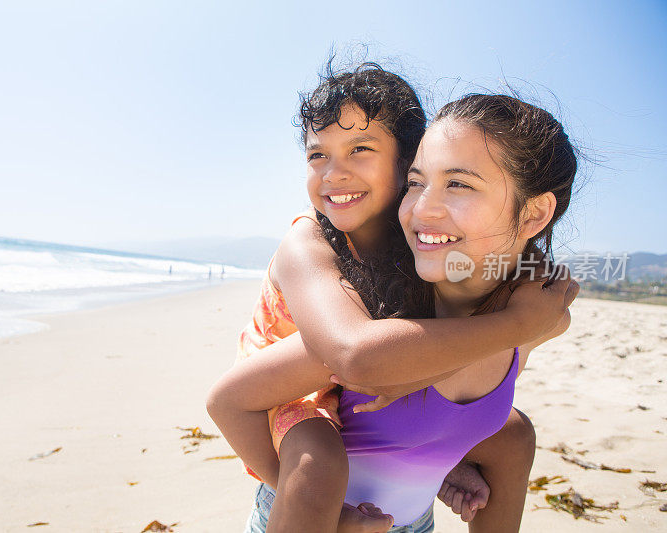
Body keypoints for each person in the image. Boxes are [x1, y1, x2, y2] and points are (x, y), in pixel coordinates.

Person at [206, 62, 577, 532]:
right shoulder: (312, 245)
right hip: (297, 389)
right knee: (317, 466)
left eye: (359, 149)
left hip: (405, 508)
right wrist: (520, 325)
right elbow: (355, 355)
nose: (333, 173)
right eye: (316, 155)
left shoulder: (424, 255)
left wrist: (539, 288)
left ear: (403, 162)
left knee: (513, 435)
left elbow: (521, 280)